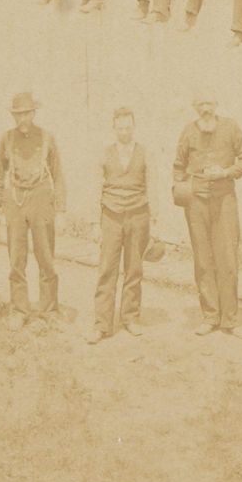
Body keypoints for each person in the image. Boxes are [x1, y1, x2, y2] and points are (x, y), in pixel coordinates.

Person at [174, 91, 242, 333]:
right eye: (201, 104)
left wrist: (226, 172)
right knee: (203, 260)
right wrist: (182, 189)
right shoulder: (188, 131)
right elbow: (178, 165)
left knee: (227, 259)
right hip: (196, 203)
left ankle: (230, 320)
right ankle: (210, 316)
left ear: (216, 104)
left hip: (224, 199)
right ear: (194, 106)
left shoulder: (231, 127)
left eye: (209, 103)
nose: (205, 108)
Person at [0, 91, 65, 325]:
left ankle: (49, 311)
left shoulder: (47, 138)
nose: (22, 119)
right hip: (15, 199)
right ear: (13, 115)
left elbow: (58, 175)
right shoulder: (7, 139)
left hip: (41, 198)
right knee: (16, 259)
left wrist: (61, 211)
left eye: (26, 114)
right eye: (18, 114)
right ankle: (20, 311)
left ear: (33, 113)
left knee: (46, 257)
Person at [88, 107, 152, 342]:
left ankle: (130, 318)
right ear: (114, 128)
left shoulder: (144, 153)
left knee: (134, 269)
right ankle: (102, 324)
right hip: (111, 216)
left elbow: (152, 186)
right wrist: (95, 222)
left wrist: (154, 221)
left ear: (134, 127)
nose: (124, 132)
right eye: (120, 128)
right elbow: (96, 187)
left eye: (128, 128)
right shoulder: (105, 153)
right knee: (107, 269)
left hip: (138, 215)